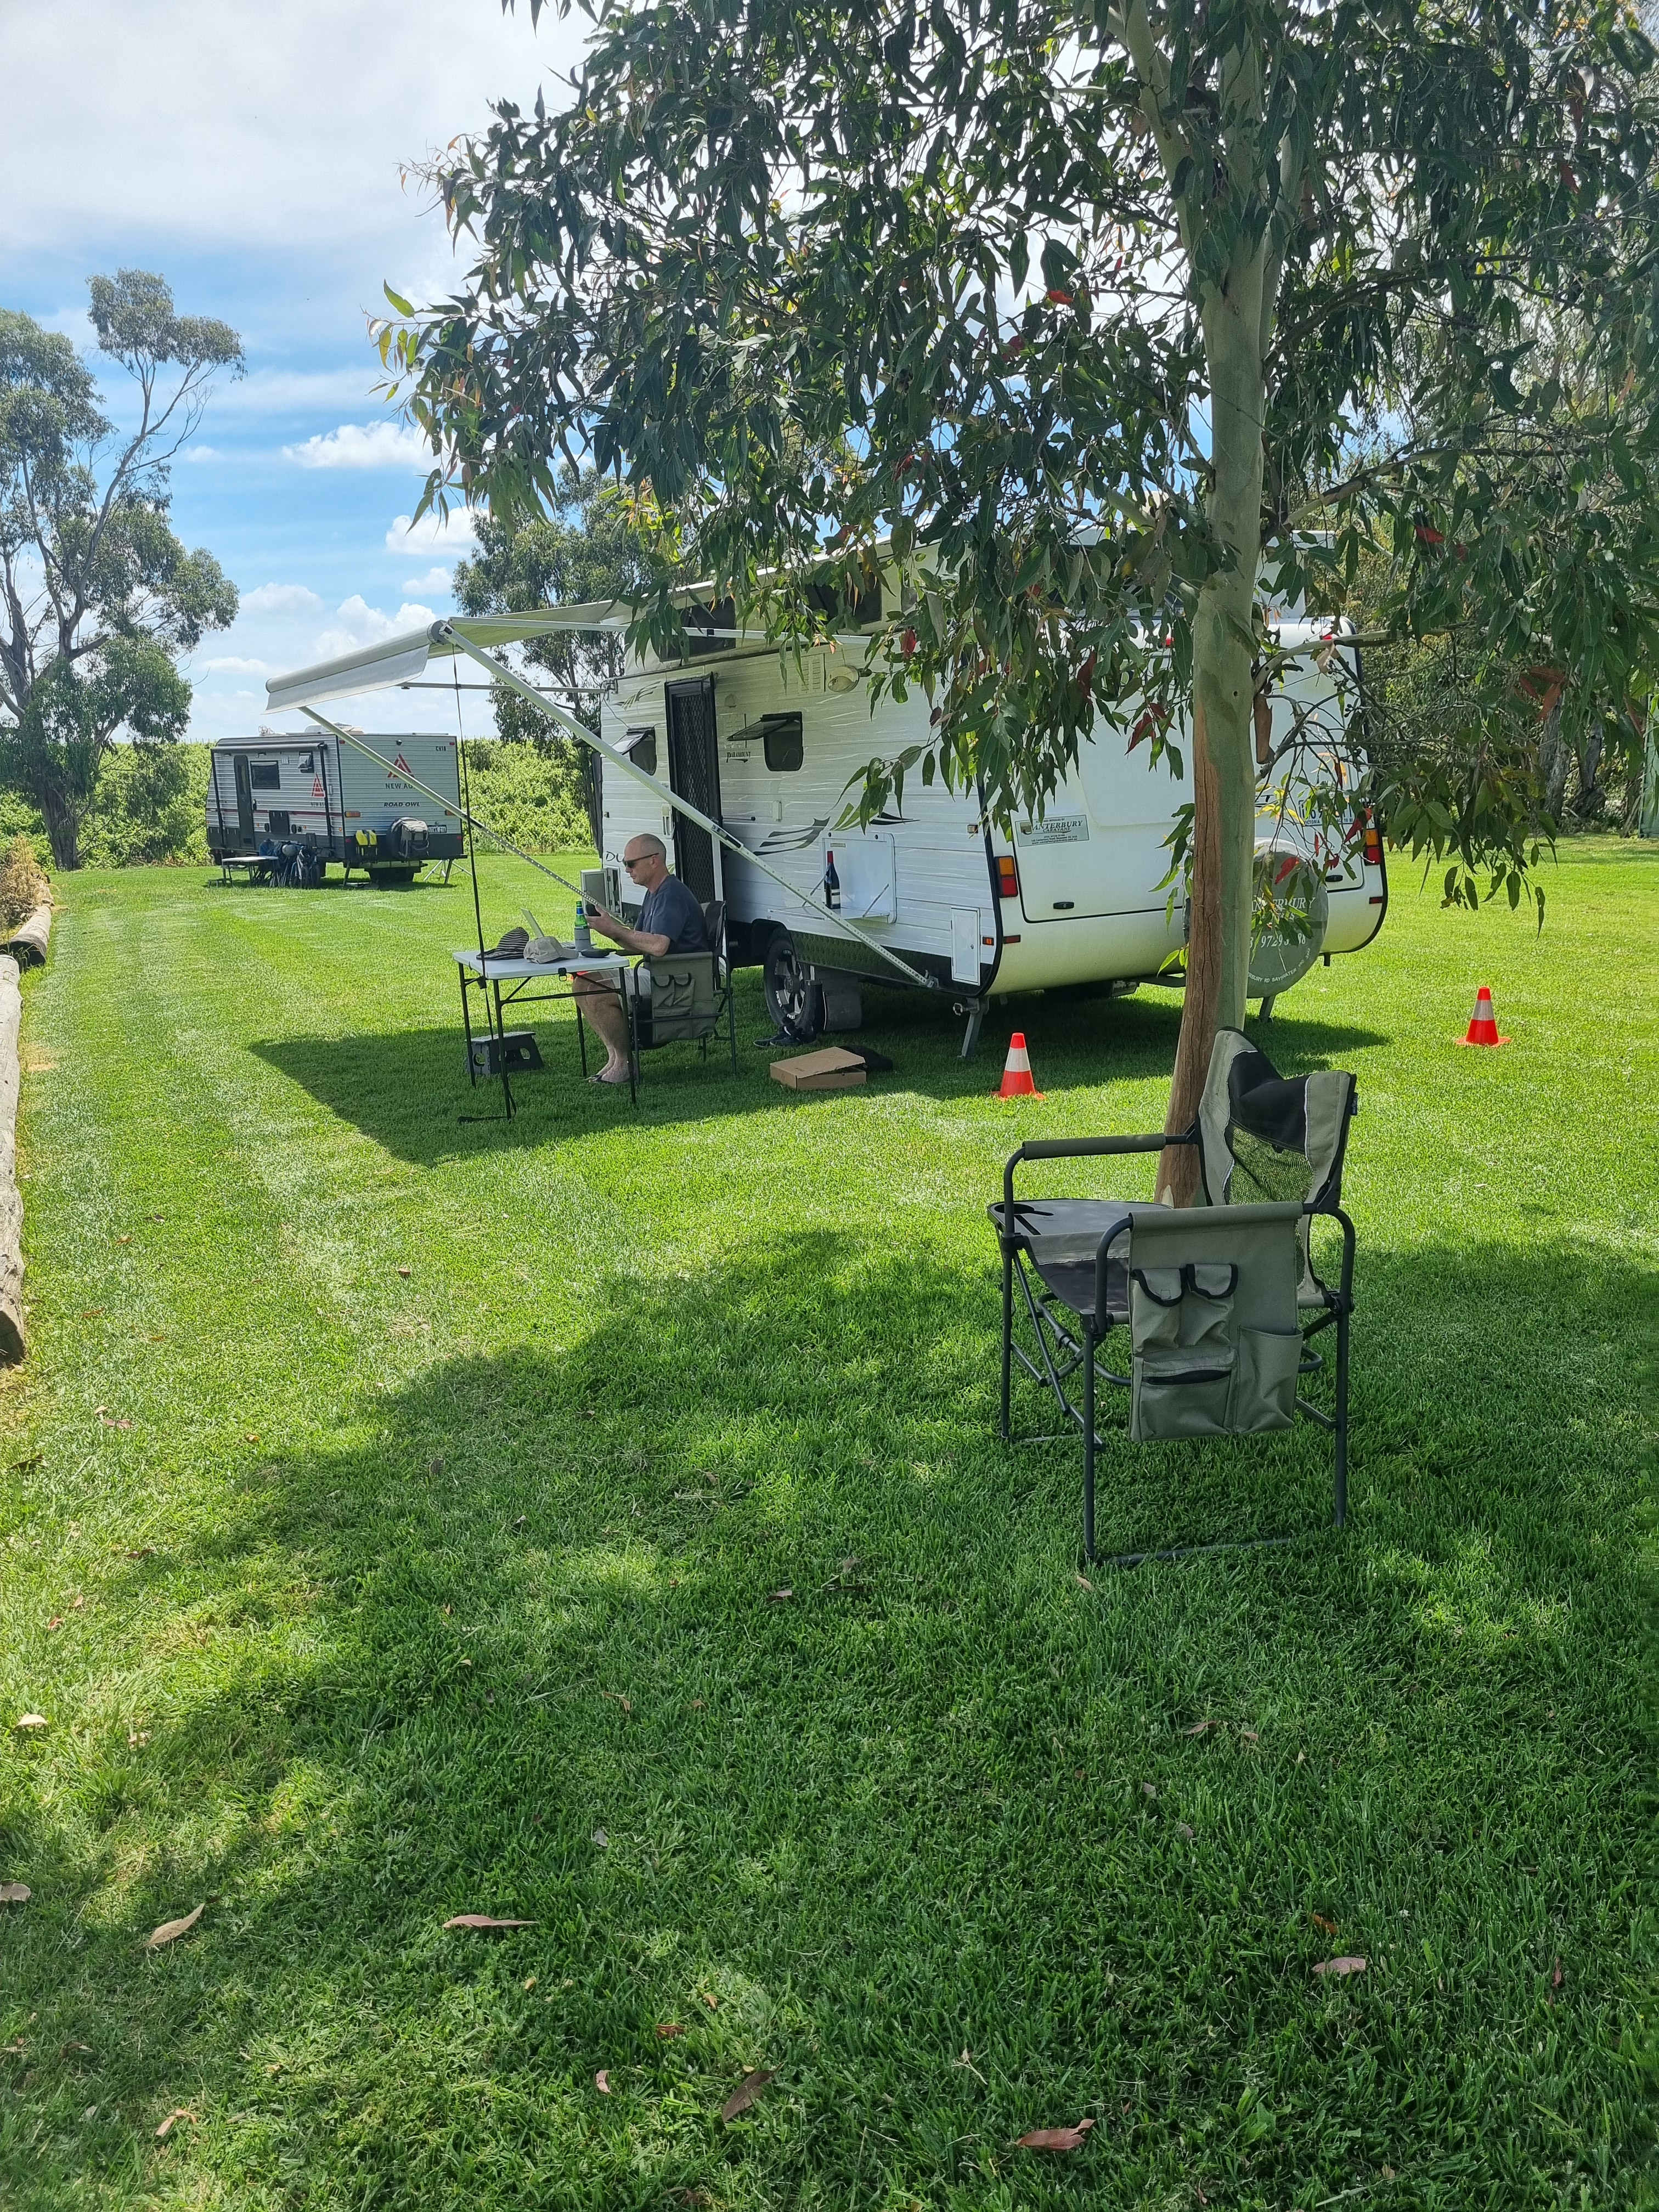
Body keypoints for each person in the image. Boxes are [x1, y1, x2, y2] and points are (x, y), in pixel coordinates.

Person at [574, 833, 709, 1083]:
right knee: (582, 983)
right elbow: (639, 943)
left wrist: (617, 931)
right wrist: (612, 931)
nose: (627, 870)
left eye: (631, 864)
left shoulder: (671, 895)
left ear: (654, 861)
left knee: (596, 991)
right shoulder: (654, 893)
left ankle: (624, 1064)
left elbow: (658, 946)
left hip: (677, 977)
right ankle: (615, 1058)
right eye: (625, 863)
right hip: (658, 971)